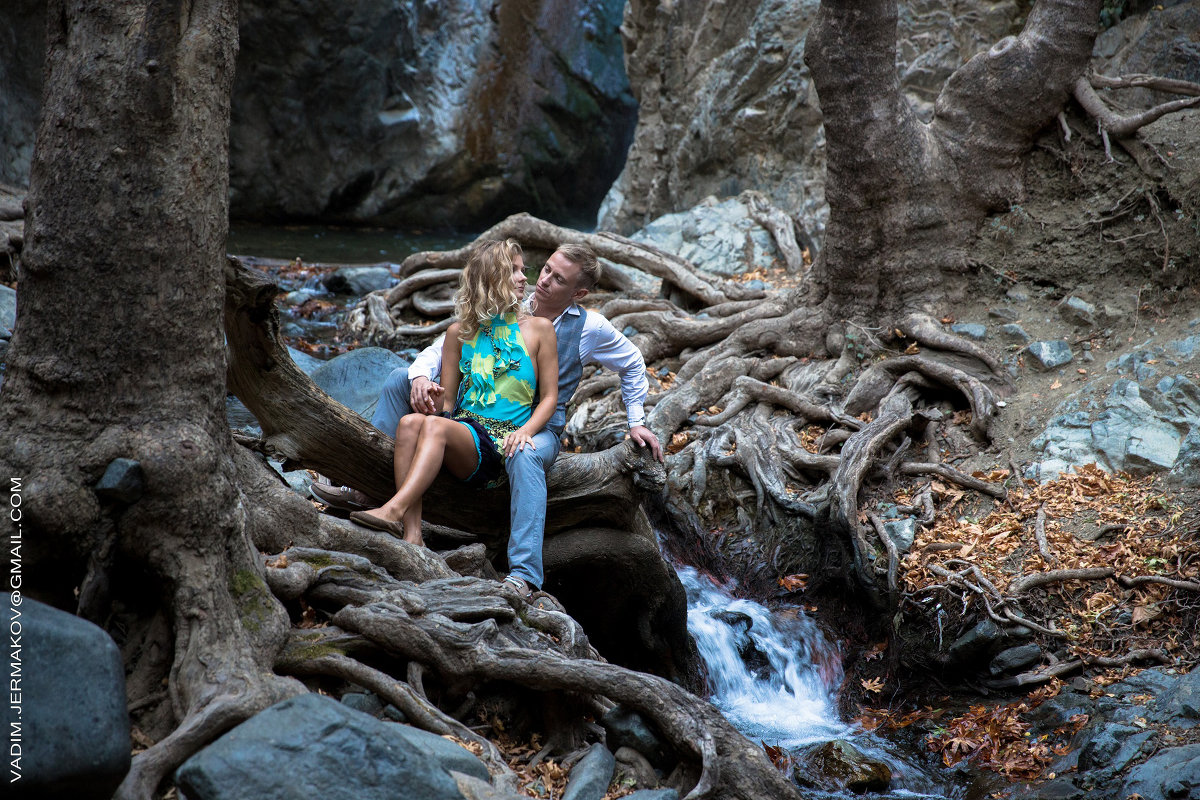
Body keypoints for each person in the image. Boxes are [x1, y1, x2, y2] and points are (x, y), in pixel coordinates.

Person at [312, 242, 663, 597]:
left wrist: (636, 421)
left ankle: (523, 574)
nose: (541, 281)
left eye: (558, 280)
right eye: (545, 269)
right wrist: (421, 380)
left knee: (523, 453)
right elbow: (443, 351)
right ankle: (367, 489)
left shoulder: (588, 327)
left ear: (579, 293)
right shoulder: (506, 303)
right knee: (398, 381)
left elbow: (633, 363)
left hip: (539, 424)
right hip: (473, 413)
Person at [345, 239, 558, 547]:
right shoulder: (459, 333)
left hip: (502, 442)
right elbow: (447, 403)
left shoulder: (540, 330)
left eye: (523, 270)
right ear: (491, 277)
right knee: (409, 423)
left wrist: (526, 432)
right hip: (463, 434)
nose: (525, 278)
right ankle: (412, 534)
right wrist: (432, 397)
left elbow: (549, 397)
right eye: (513, 271)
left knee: (432, 426)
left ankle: (393, 508)